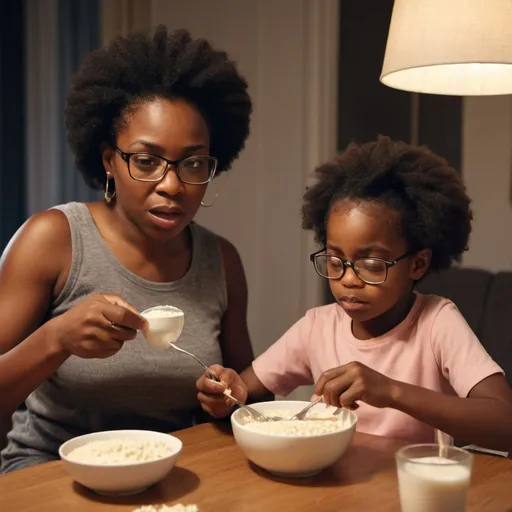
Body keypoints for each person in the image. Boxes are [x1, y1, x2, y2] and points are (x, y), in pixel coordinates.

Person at [0, 25, 254, 472]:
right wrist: (56, 339)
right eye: (146, 160)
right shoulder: (53, 239)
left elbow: (247, 396)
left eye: (192, 163)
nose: (172, 185)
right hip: (52, 473)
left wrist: (230, 393)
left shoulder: (222, 261)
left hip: (179, 472)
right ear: (108, 161)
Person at [197, 135, 512, 452]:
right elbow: (248, 389)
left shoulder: (437, 324)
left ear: (417, 263)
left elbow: (504, 423)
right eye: (335, 262)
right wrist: (228, 392)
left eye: (372, 265)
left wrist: (391, 391)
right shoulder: (317, 327)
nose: (348, 279)